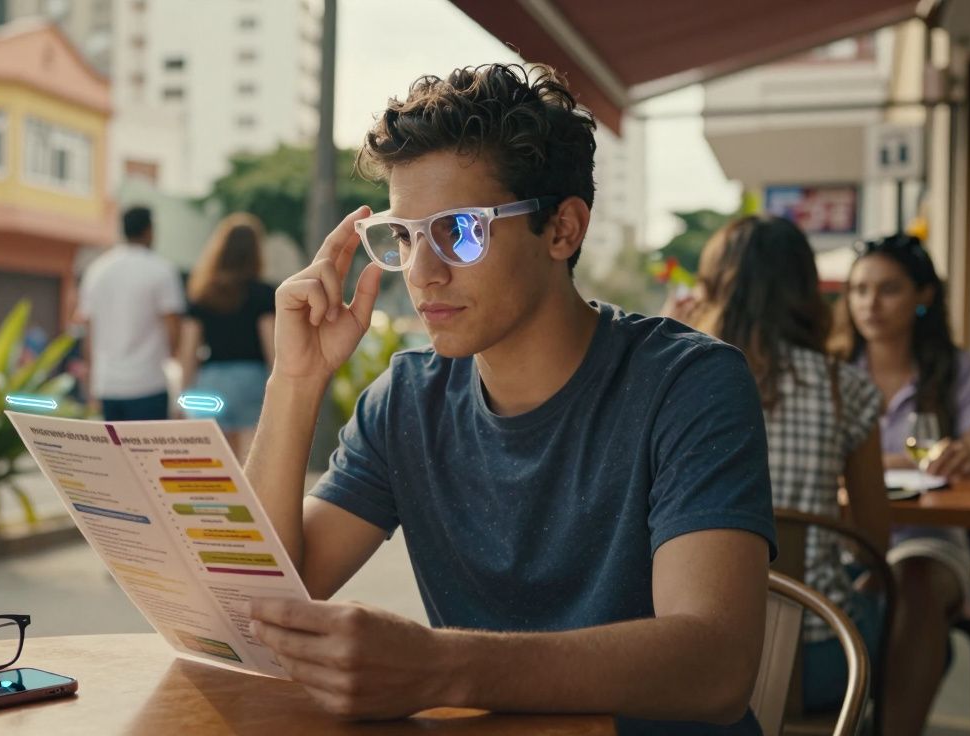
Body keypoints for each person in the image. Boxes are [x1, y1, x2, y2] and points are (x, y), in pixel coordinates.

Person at [242, 63, 776, 735]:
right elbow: (264, 608)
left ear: (562, 230)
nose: (422, 272)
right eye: (403, 237)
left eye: (460, 230)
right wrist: (295, 382)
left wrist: (441, 666)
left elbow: (715, 668)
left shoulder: (688, 384)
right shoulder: (406, 401)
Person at [667, 216, 890, 716]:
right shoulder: (845, 388)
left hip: (691, 663)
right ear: (806, 291)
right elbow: (876, 541)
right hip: (820, 656)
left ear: (715, 287)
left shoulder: (679, 383)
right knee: (896, 603)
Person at [830, 233, 970, 736]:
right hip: (846, 538)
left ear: (924, 296)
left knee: (913, 582)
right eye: (859, 290)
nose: (869, 304)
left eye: (888, 289)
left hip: (932, 541)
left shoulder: (957, 371)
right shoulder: (832, 371)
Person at [178, 213, 276, 463]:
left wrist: (184, 393)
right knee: (252, 457)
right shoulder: (263, 294)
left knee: (220, 460)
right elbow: (272, 347)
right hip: (252, 377)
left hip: (213, 381)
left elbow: (189, 350)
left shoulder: (202, 294)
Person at [77, 206, 184, 421]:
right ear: (149, 230)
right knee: (149, 453)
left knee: (114, 454)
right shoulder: (161, 270)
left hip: (107, 384)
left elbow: (88, 330)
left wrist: (91, 381)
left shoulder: (97, 270)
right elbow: (173, 328)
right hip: (148, 382)